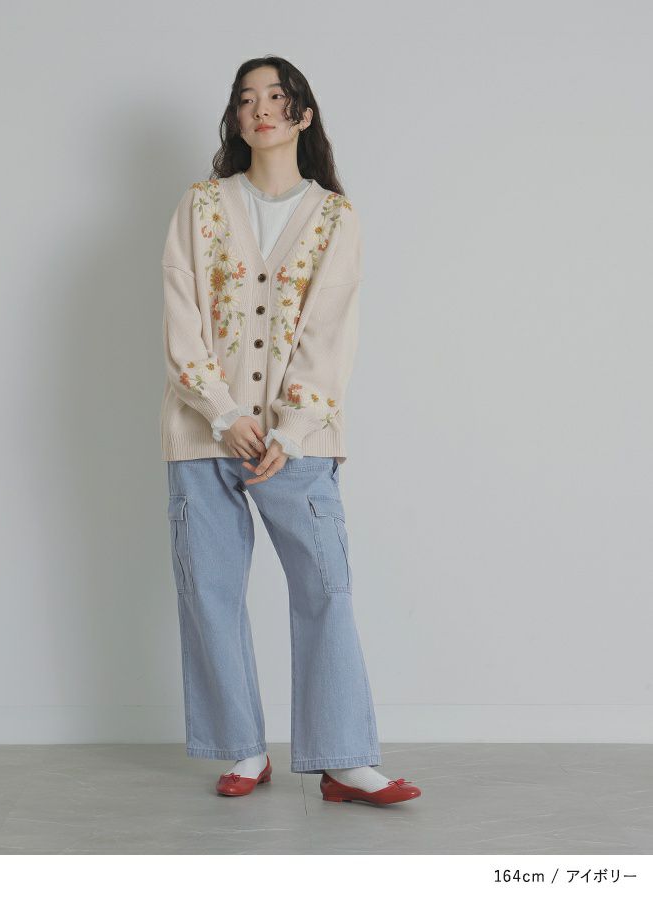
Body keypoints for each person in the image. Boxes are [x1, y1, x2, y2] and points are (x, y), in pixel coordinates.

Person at [160, 56, 421, 807]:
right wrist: (223, 410)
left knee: (324, 586)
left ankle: (343, 761)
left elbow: (331, 329)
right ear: (235, 119)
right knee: (210, 590)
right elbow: (180, 311)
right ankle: (244, 750)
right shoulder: (201, 206)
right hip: (203, 431)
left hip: (296, 442)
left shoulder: (335, 216)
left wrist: (294, 426)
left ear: (303, 114)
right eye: (247, 99)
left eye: (276, 96)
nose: (261, 109)